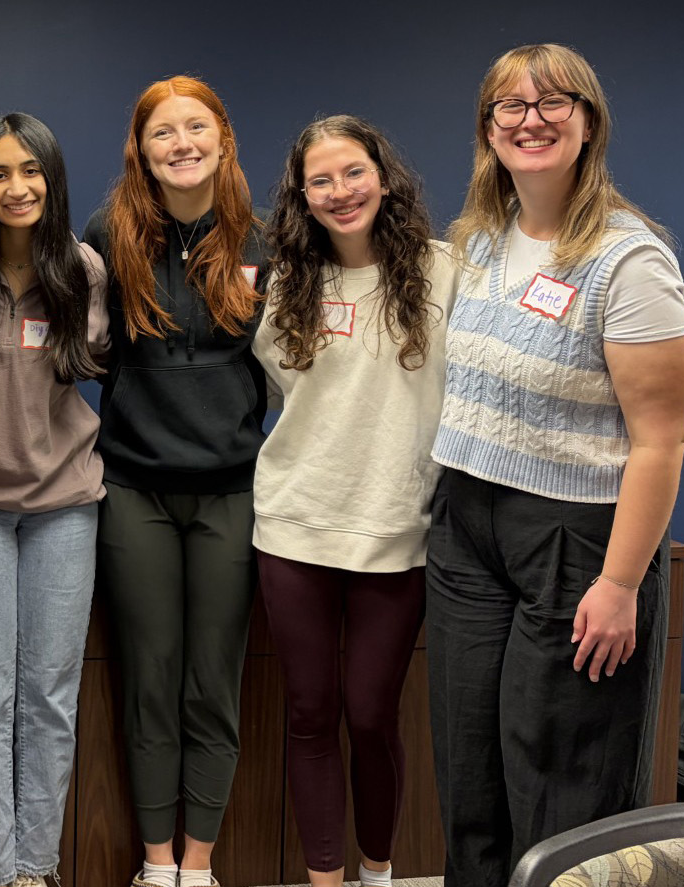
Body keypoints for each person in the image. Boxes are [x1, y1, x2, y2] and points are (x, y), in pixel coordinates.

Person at [428, 43, 684, 887]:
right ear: (488, 127)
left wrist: (621, 583)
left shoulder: (629, 259)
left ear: (588, 122)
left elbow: (661, 439)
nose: (531, 119)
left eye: (553, 103)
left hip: (574, 540)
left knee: (561, 777)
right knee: (468, 773)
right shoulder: (479, 239)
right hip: (466, 528)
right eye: (511, 105)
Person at [253, 115, 456, 887]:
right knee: (309, 714)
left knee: (371, 714)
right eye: (321, 180)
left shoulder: (443, 272)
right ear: (302, 196)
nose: (340, 191)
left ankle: (378, 872)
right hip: (295, 524)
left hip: (398, 526)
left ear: (383, 176)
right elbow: (284, 393)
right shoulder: (287, 283)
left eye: (353, 172)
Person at [80, 74, 268, 887]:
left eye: (196, 127)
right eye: (163, 131)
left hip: (232, 490)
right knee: (150, 679)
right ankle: (157, 864)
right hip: (136, 490)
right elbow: (91, 351)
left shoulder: (263, 239)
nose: (182, 143)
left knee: (212, 682)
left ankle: (200, 863)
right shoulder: (107, 234)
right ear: (141, 149)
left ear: (223, 138)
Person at [0, 112, 106, 887]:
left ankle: (35, 869)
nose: (16, 187)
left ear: (51, 178)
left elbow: (98, 363)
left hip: (64, 509)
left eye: (30, 170)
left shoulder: (81, 270)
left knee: (49, 696)